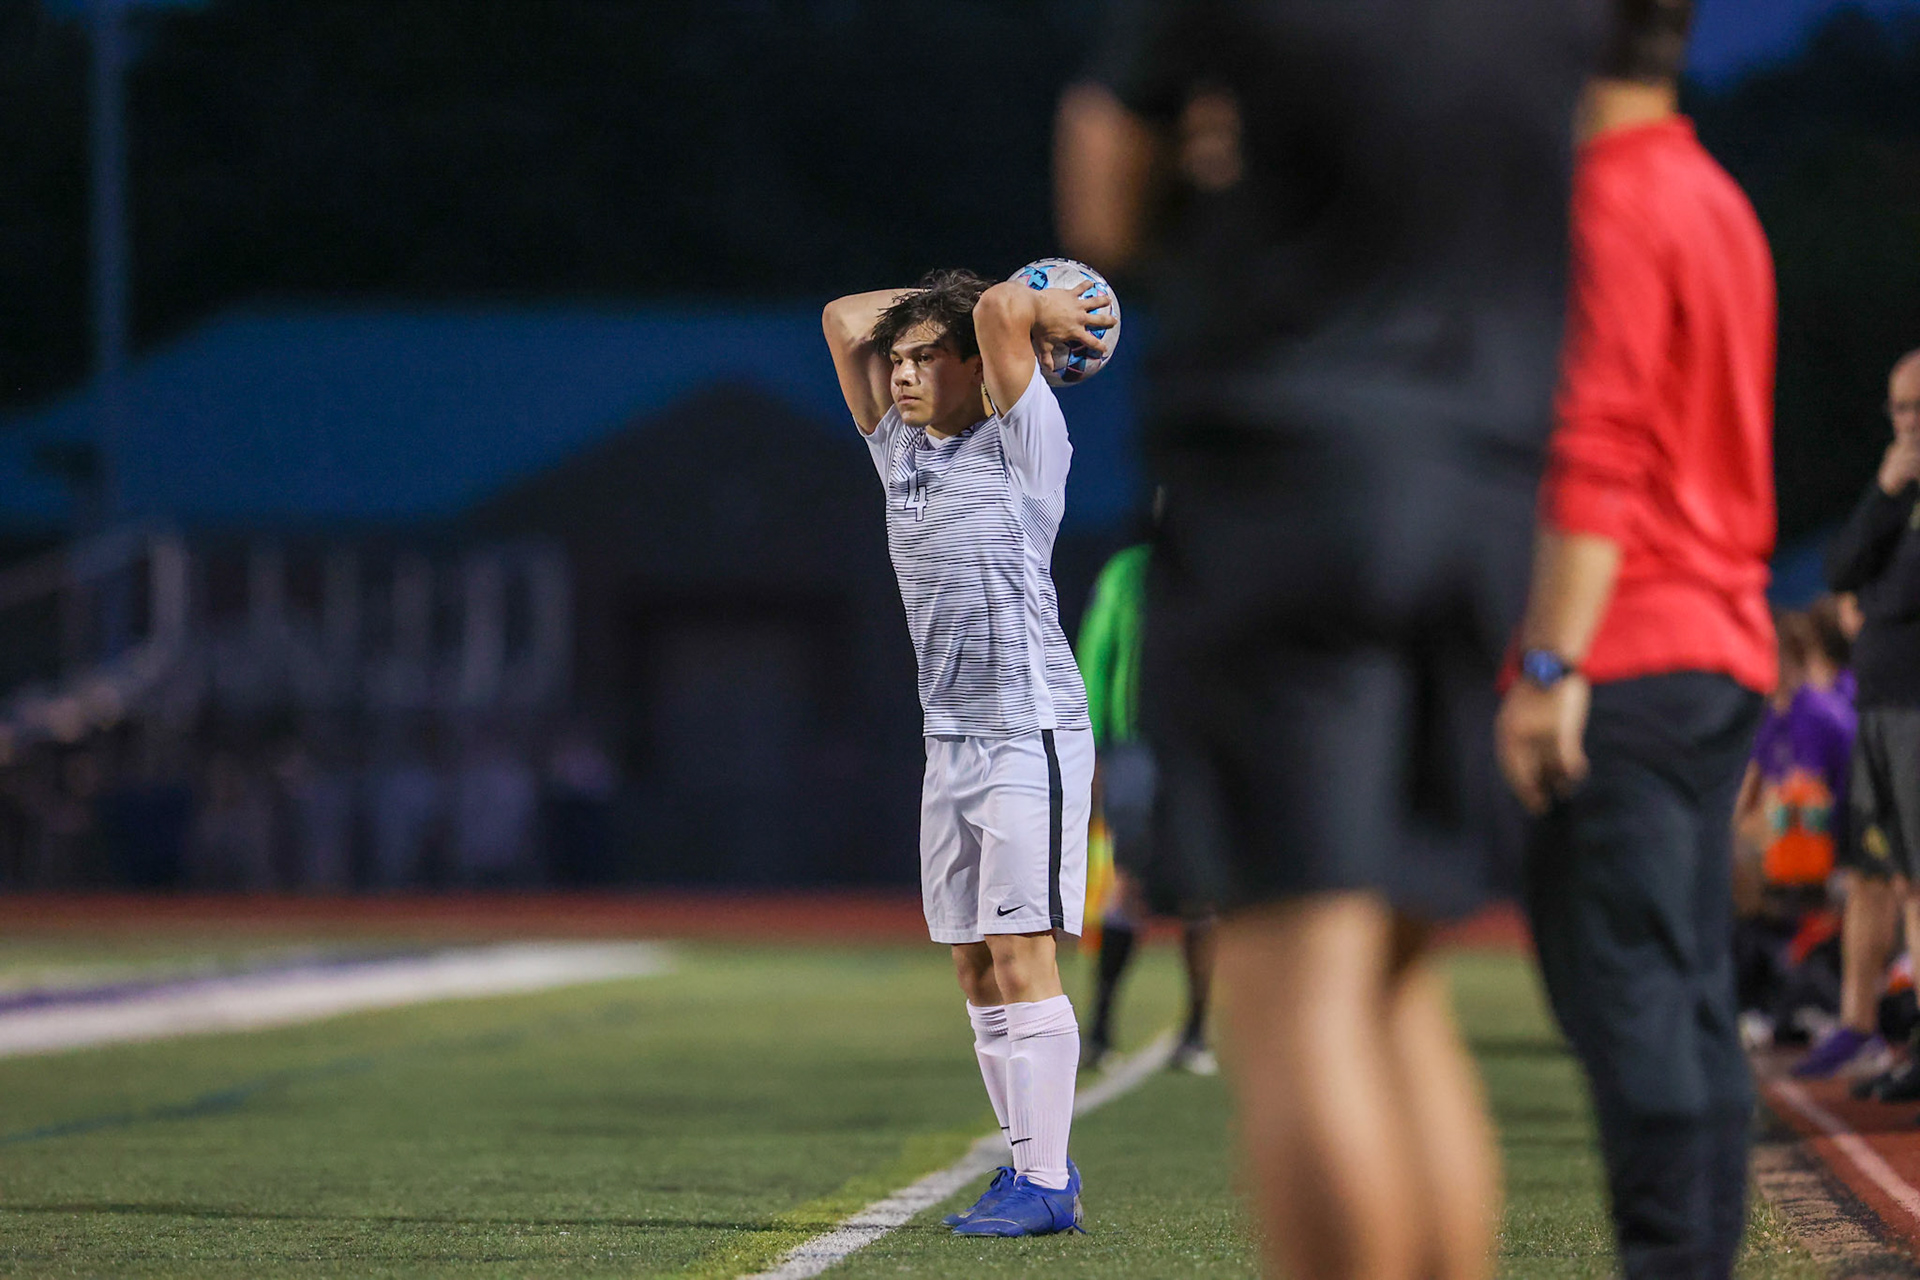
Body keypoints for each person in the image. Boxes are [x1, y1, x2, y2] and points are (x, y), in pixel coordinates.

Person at [1056, 1, 1595, 1276]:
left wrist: (1201, 178)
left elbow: (1099, 217)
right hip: (1481, 482)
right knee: (1400, 980)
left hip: (1295, 473)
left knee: (1295, 980)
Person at [1494, 3, 1778, 1274]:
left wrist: (1551, 662)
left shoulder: (1608, 202)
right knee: (1689, 998)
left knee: (1636, 1003)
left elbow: (1598, 445)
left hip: (1631, 649)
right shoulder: (1714, 195)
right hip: (1718, 637)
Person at [821, 269, 1112, 1238]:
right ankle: (1024, 1161)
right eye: (894, 362)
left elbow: (997, 313)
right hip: (947, 740)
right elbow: (841, 318)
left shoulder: (1025, 445)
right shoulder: (897, 452)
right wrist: (930, 302)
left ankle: (1046, 1178)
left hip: (1028, 730)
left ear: (978, 370)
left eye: (922, 358)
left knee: (1023, 951)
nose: (900, 373)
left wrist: (1012, 306)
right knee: (974, 964)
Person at [1808, 349, 1920, 1087]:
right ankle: (1860, 1025)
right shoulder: (1897, 489)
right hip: (1881, 705)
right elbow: (1841, 572)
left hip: (1914, 705)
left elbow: (1890, 598)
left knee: (1916, 881)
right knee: (1877, 872)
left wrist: (1874, 604)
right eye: (1899, 410)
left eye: (1918, 409)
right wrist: (1884, 490)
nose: (1908, 425)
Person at [1074, 533, 1218, 1076]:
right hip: (1135, 746)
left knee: (1204, 890)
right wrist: (1088, 744)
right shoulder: (1128, 572)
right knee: (1128, 881)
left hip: (1200, 749)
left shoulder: (1224, 563)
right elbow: (1097, 653)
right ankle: (1101, 1028)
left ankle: (1197, 1032)